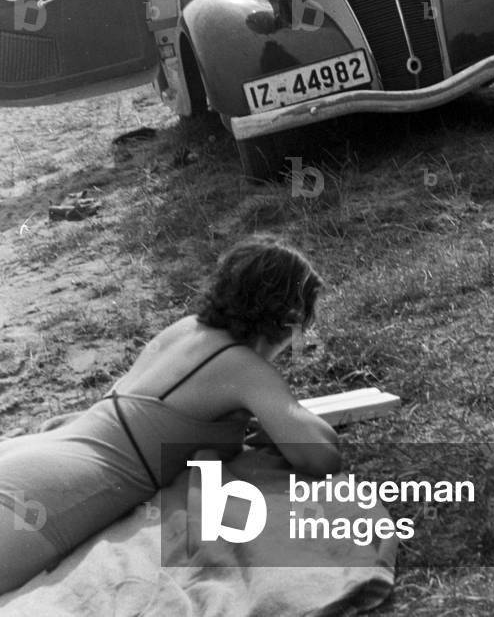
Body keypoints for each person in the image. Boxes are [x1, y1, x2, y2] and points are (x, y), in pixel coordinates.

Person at [0, 236, 340, 594]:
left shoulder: (186, 329)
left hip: (32, 456)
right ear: (287, 320)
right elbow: (322, 456)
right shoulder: (243, 367)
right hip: (51, 493)